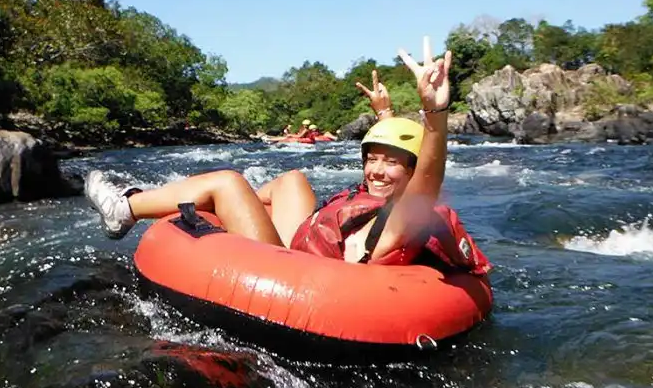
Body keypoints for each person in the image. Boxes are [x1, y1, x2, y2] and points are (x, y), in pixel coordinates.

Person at [84, 36, 491, 274]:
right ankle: (185, 196)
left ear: (414, 172)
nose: (377, 171)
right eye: (372, 158)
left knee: (228, 182)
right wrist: (384, 113)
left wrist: (434, 112)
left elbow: (427, 176)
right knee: (293, 179)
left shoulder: (406, 217)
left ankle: (126, 208)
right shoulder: (383, 192)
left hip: (295, 272)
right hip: (302, 248)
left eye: (391, 163)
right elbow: (401, 154)